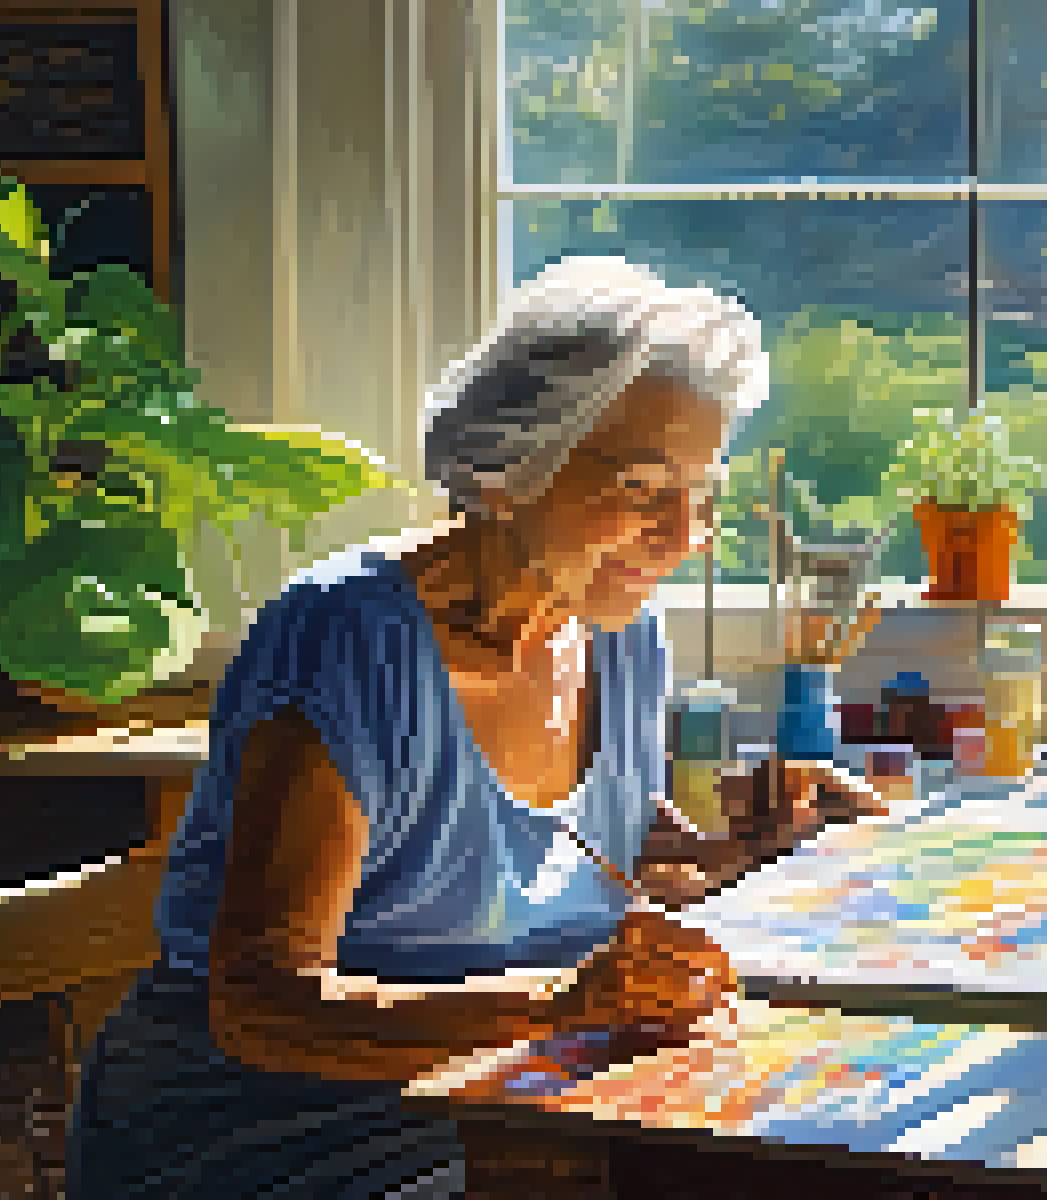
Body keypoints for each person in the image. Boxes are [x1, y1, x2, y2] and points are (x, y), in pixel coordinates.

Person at [67, 257, 884, 1199]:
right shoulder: (345, 639)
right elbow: (259, 1005)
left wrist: (752, 848)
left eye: (701, 493)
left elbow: (568, 862)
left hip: (500, 1109)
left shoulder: (618, 631)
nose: (682, 536)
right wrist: (561, 1004)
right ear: (507, 471)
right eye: (641, 487)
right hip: (276, 1140)